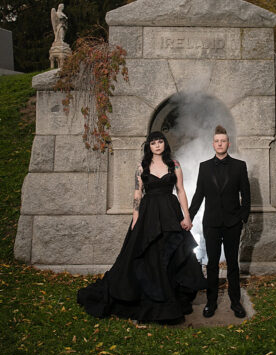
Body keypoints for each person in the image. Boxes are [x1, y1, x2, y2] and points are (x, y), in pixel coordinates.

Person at [77, 131, 205, 323]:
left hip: (171, 214)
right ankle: (152, 296)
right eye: (153, 143)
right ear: (149, 146)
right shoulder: (142, 166)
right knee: (149, 255)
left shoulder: (174, 164)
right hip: (149, 215)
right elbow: (137, 194)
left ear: (164, 144)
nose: (157, 145)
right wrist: (135, 218)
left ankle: (170, 294)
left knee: (170, 255)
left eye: (160, 142)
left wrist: (187, 216)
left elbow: (180, 191)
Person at [188, 125, 251, 319]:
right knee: (212, 264)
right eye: (217, 141)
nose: (220, 143)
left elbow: (246, 195)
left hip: (233, 223)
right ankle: (211, 302)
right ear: (213, 144)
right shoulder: (204, 167)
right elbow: (199, 195)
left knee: (233, 264)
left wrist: (242, 218)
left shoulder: (240, 166)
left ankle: (235, 302)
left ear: (228, 143)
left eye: (223, 141)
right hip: (212, 224)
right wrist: (188, 217)